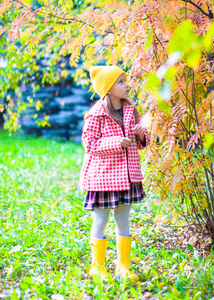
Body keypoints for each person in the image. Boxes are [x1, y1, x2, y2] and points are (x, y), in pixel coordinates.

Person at [80, 65, 150, 281]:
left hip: (127, 177)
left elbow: (140, 144)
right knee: (100, 219)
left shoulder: (130, 110)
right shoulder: (96, 114)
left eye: (125, 80)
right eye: (120, 82)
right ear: (108, 88)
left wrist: (140, 135)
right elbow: (89, 144)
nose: (126, 85)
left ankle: (123, 266)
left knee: (123, 219)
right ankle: (97, 266)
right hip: (103, 178)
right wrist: (116, 142)